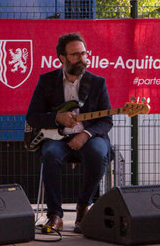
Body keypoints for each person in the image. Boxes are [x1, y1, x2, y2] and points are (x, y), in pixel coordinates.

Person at [26, 32, 112, 233]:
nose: (82, 59)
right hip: (57, 138)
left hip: (89, 136)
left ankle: (83, 208)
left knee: (99, 153)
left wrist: (86, 134)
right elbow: (32, 116)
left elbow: (106, 120)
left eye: (84, 54)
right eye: (75, 55)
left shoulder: (97, 83)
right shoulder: (47, 81)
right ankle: (55, 215)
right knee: (50, 154)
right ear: (62, 58)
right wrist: (57, 117)